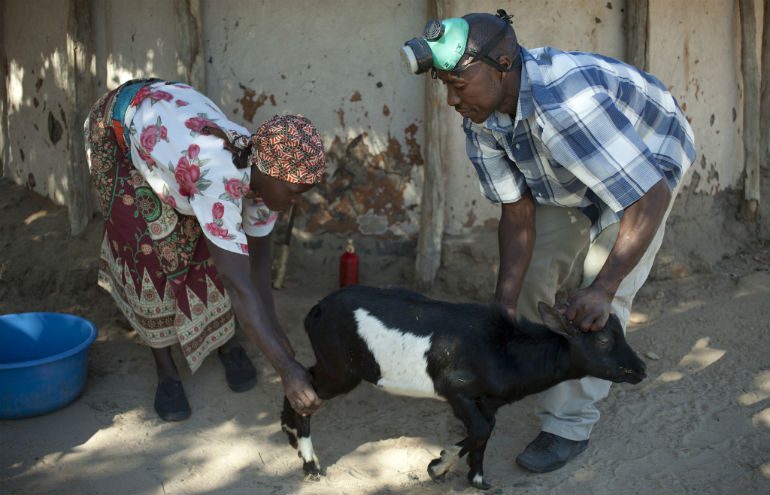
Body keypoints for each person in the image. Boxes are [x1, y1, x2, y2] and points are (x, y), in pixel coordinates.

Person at [402, 10, 695, 472]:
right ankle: (535, 366)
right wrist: (503, 306)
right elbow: (517, 211)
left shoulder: (570, 107)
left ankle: (568, 424)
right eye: (444, 86)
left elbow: (648, 195)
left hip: (646, 160)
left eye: (459, 83)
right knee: (531, 278)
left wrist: (603, 287)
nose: (452, 99)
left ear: (503, 63)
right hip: (568, 174)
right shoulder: (479, 118)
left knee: (596, 304)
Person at [84, 78, 324, 421]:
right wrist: (286, 369)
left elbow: (257, 266)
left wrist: (279, 343)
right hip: (120, 129)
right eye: (293, 192)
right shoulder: (217, 176)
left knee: (212, 247)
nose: (294, 203)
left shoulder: (266, 179)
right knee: (147, 254)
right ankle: (165, 368)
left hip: (173, 133)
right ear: (269, 173)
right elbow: (237, 283)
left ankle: (226, 340)